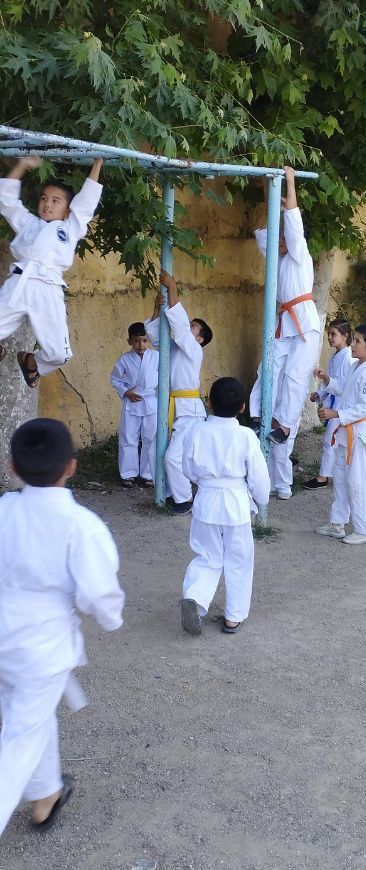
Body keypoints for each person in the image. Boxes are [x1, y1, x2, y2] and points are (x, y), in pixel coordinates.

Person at [0, 419, 124, 837]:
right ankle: (39, 793)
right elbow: (98, 593)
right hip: (42, 645)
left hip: (4, 636)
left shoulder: (3, 509)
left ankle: (45, 795)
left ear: (14, 467)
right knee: (19, 738)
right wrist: (110, 620)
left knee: (26, 717)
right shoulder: (81, 526)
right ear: (71, 466)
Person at [0, 154, 104, 387]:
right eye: (44, 199)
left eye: (56, 201)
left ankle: (30, 361)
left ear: (67, 210)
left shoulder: (70, 228)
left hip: (48, 289)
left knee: (59, 354)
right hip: (19, 283)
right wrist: (23, 165)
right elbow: (6, 199)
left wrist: (97, 164)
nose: (47, 204)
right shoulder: (28, 223)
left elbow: (86, 204)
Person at [249, 165, 320, 500]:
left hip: (304, 322)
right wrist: (270, 187)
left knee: (294, 379)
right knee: (269, 371)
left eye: (281, 239)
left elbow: (292, 220)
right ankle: (259, 414)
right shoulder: (275, 260)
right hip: (283, 322)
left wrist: (289, 182)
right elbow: (266, 227)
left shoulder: (299, 256)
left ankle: (286, 427)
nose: (277, 242)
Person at [180, 377, 270, 635]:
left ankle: (196, 600)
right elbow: (258, 476)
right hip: (236, 504)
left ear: (209, 403)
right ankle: (233, 616)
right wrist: (261, 499)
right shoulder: (245, 436)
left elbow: (187, 467)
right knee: (239, 559)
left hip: (206, 501)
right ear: (243, 407)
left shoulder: (196, 431)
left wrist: (204, 483)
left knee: (207, 555)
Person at [145, 270, 213, 515]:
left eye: (194, 327)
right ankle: (167, 492)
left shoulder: (194, 351)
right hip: (170, 407)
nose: (189, 328)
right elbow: (155, 338)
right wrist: (156, 309)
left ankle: (184, 499)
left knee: (174, 458)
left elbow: (180, 327)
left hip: (188, 412)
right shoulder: (175, 349)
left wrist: (172, 288)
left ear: (200, 339)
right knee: (154, 451)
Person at [314, 324, 366, 545]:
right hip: (345, 433)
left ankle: (365, 530)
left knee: (359, 481)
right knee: (341, 478)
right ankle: (337, 523)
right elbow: (343, 387)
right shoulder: (356, 367)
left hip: (359, 434)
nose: (353, 345)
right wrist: (326, 380)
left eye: (358, 341)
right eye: (353, 340)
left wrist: (336, 413)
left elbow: (365, 407)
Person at [304, 319, 354, 489]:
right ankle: (337, 473)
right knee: (336, 440)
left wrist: (325, 378)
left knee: (330, 439)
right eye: (329, 334)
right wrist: (319, 393)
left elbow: (342, 386)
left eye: (334, 334)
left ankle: (323, 476)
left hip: (342, 405)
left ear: (345, 336)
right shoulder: (335, 356)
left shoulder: (348, 357)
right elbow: (331, 383)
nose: (330, 338)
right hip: (335, 402)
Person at [110, 322, 159, 488]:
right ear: (129, 341)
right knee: (128, 437)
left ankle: (148, 474)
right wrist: (126, 392)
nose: (141, 345)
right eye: (137, 341)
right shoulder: (124, 359)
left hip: (151, 401)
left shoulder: (156, 357)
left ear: (149, 341)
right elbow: (115, 379)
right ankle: (128, 474)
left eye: (145, 340)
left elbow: (164, 379)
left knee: (150, 438)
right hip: (131, 401)